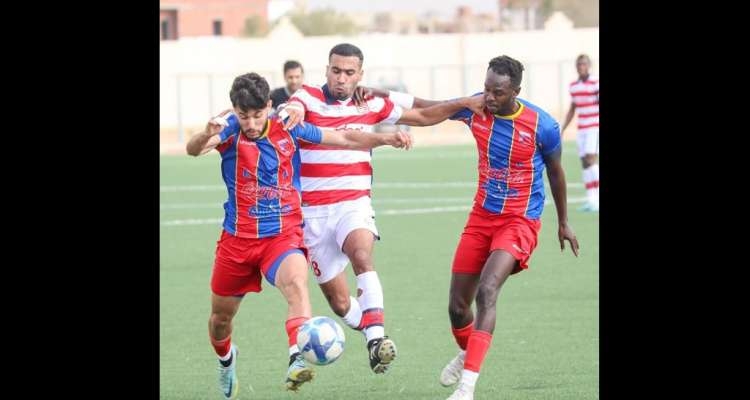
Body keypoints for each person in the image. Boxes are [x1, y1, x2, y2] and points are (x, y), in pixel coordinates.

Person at [185, 72, 412, 399]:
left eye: (257, 114)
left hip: (283, 235)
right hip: (237, 240)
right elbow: (194, 149)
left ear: (268, 106)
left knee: (296, 285)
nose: (250, 123)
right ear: (235, 109)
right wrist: (206, 132)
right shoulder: (230, 129)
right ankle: (225, 360)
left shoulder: (288, 127)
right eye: (243, 115)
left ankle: (295, 359)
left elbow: (344, 138)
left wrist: (385, 138)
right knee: (220, 320)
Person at [280, 42, 484, 375]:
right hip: (313, 215)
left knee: (362, 255)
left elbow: (421, 114)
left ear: (360, 74)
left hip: (353, 204)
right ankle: (369, 328)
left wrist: (462, 106)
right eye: (336, 70)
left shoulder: (371, 102)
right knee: (341, 304)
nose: (341, 78)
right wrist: (295, 111)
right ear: (326, 69)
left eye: (349, 72)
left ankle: (376, 342)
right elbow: (294, 108)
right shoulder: (307, 96)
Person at [429, 55, 578, 400]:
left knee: (488, 290)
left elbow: (555, 172)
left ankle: (467, 386)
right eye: (486, 89)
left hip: (520, 220)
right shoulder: (476, 108)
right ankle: (469, 353)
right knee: (456, 307)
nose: (489, 98)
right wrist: (379, 100)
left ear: (515, 91)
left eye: (498, 92)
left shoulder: (543, 125)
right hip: (481, 217)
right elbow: (426, 111)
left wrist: (564, 222)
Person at [562, 54, 599, 212]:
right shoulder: (574, 86)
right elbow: (572, 109)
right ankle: (591, 199)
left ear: (589, 65)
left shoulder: (595, 83)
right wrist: (563, 128)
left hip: (594, 127)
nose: (581, 67)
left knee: (591, 159)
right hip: (582, 128)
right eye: (579, 64)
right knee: (584, 162)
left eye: (584, 64)